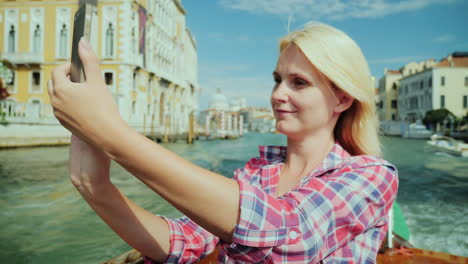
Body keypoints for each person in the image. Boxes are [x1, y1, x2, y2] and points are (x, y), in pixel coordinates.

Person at [48, 22, 398, 263]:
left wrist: (112, 135)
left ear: (343, 99)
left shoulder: (372, 175)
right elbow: (184, 243)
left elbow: (289, 240)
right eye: (277, 79)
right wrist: (96, 186)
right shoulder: (255, 175)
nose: (278, 94)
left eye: (299, 83)